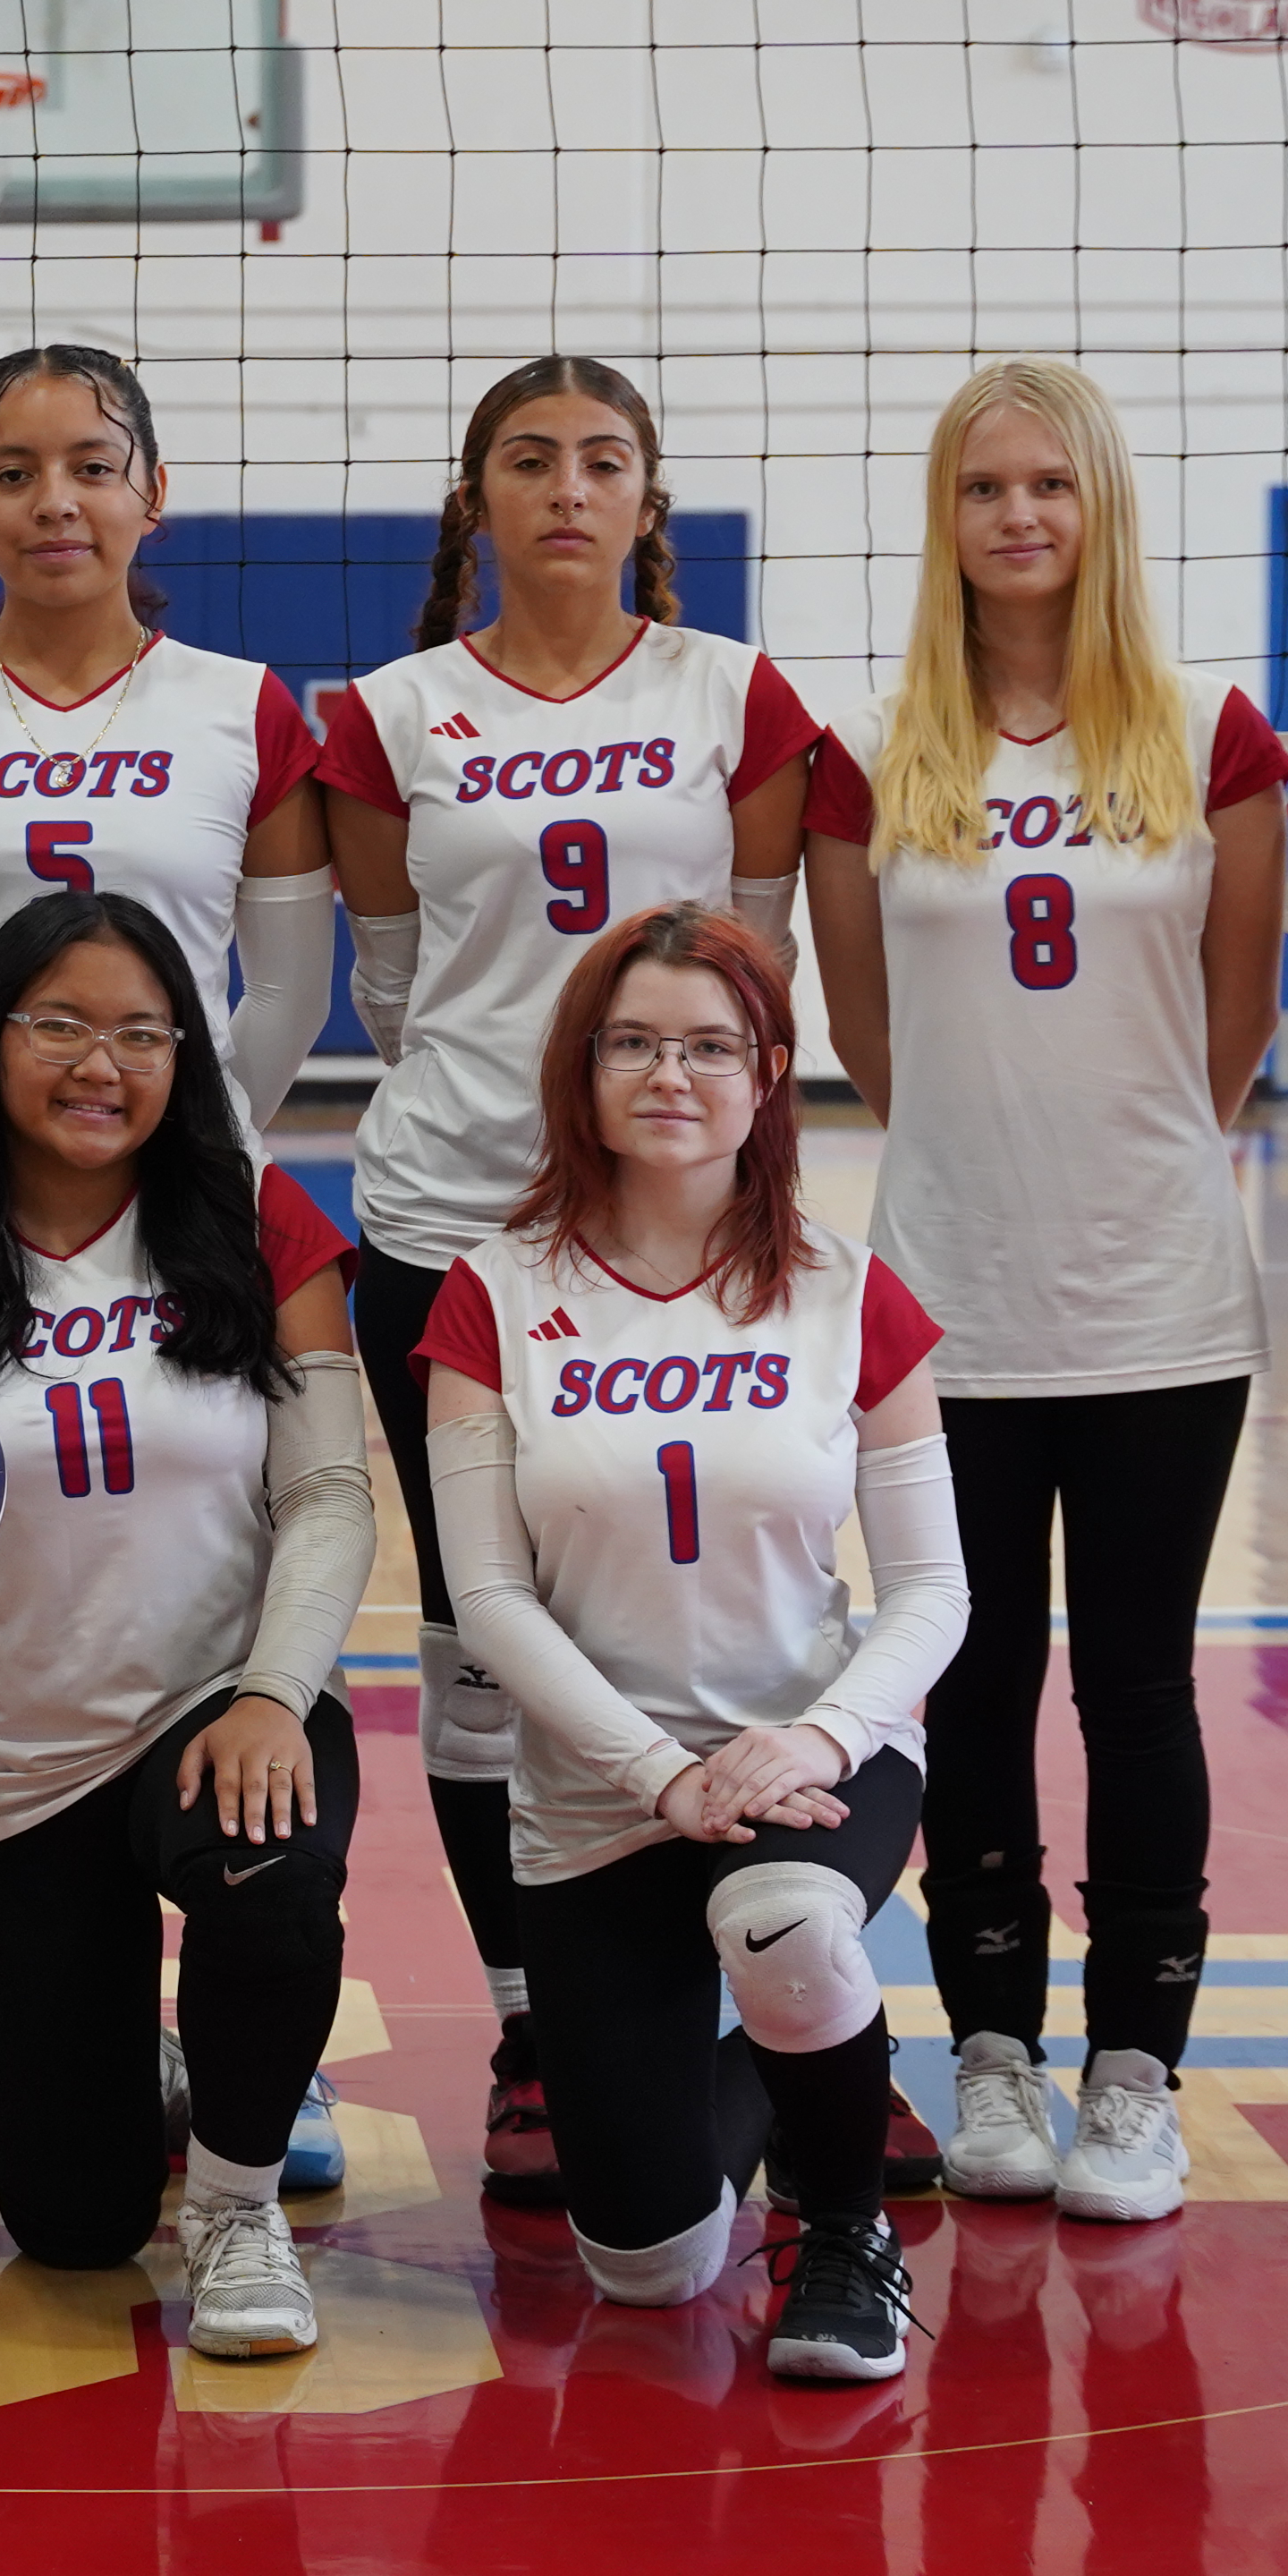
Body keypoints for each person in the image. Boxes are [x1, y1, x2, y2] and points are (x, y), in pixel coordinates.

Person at [0, 341, 330, 2186]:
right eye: (15, 470)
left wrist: (167, 1140)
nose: (56, 501)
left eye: (94, 465)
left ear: (150, 494)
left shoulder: (243, 709)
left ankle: (256, 2015)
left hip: (175, 1195)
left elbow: (288, 989)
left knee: (203, 1550)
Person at [312, 355, 821, 2209]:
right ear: (480, 501)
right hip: (455, 1229)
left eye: (604, 460)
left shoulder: (734, 694)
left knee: (724, 1619)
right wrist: (514, 1119)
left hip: (679, 1230)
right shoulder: (390, 716)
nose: (567, 489)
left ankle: (787, 2009)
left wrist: (655, 1148)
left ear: (645, 502)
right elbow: (393, 980)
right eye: (528, 460)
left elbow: (753, 967)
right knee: (481, 1642)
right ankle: (536, 2027)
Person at [802, 360, 1288, 2225]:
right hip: (950, 1299)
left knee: (1142, 1686)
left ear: (1103, 508)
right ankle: (992, 2048)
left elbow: (1236, 1020)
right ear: (945, 516)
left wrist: (1125, 1150)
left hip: (1160, 1297)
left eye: (1050, 484)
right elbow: (868, 1033)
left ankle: (1136, 2071)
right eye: (984, 486)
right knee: (977, 1684)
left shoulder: (1209, 734)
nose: (1018, 515)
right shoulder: (871, 752)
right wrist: (988, 1159)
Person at [0, 891, 372, 2358]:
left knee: (272, 1881)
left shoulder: (255, 1216)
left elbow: (330, 1496)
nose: (99, 1064)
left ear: (185, 1054)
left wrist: (274, 1693)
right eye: (58, 1025)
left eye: (140, 1033)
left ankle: (236, 2202)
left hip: (213, 1702)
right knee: (73, 2219)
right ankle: (153, 2068)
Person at [413, 905, 969, 2384]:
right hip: (603, 1789)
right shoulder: (494, 1295)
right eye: (636, 1043)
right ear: (582, 1069)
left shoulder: (849, 1290)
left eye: (713, 1046)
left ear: (770, 1072)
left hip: (805, 1753)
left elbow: (933, 1591)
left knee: (784, 1922)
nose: (673, 1073)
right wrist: (660, 1775)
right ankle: (805, 2062)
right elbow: (489, 1598)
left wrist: (822, 1737)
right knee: (648, 2267)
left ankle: (841, 2231)